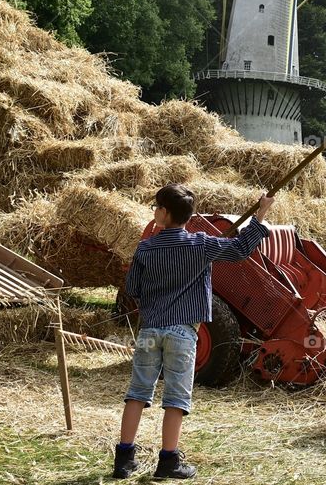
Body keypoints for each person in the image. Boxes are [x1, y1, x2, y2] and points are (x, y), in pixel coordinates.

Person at [113, 183, 274, 480]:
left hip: (150, 330)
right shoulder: (201, 244)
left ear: (163, 213)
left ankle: (123, 461)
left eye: (156, 207)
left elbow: (132, 288)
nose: (154, 211)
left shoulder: (146, 248)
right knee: (176, 398)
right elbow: (240, 250)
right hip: (183, 333)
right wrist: (260, 214)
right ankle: (168, 462)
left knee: (137, 393)